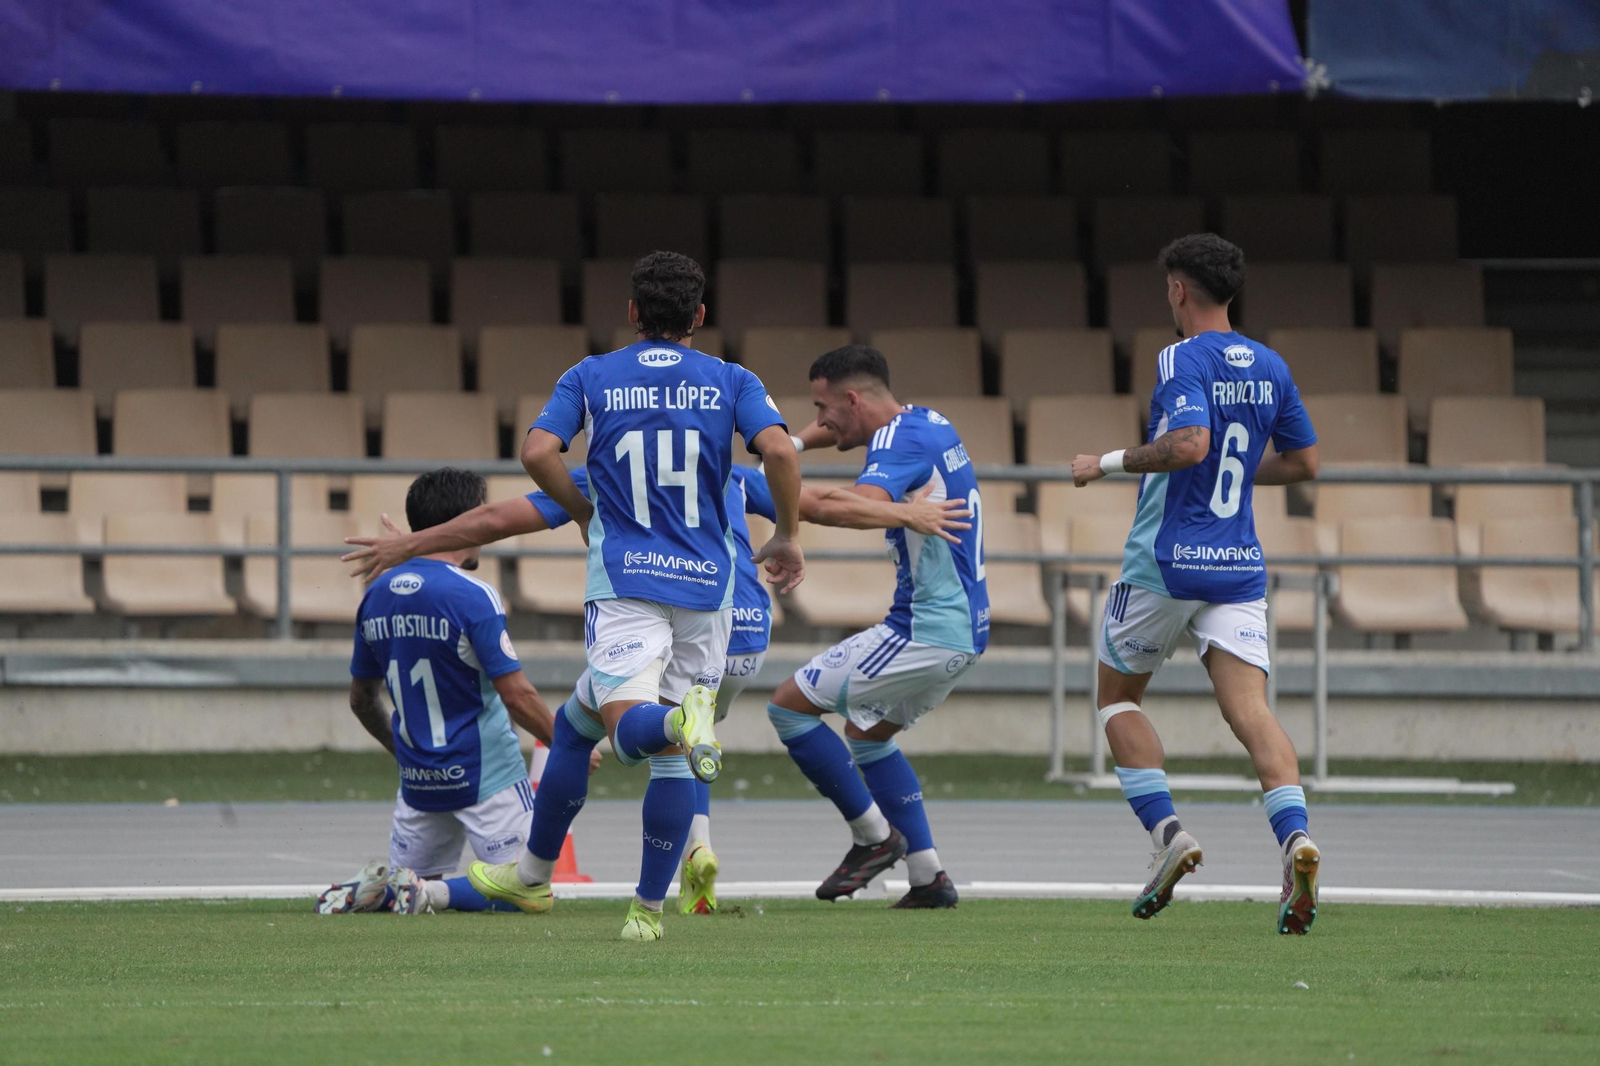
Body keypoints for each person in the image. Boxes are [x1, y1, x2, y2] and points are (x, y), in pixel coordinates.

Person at [340, 468, 970, 915]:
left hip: (657, 618)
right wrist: (904, 513)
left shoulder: (614, 464)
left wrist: (412, 547)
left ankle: (590, 882)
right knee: (686, 740)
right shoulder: (721, 460)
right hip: (739, 629)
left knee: (608, 728)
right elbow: (822, 499)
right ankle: (690, 854)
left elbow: (507, 510)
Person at [468, 250, 804, 941]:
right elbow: (784, 453)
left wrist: (585, 512)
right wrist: (789, 535)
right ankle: (640, 910)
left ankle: (677, 728)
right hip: (709, 588)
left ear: (631, 313)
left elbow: (537, 452)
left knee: (632, 728)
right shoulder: (732, 379)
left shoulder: (591, 376)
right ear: (699, 317)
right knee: (583, 725)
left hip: (628, 579)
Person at [1069, 233, 1323, 935]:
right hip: (1238, 566)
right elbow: (1304, 463)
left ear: (1179, 289)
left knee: (1116, 699)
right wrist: (1233, 481)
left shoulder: (1181, 356)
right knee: (1252, 714)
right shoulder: (1270, 365)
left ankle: (1167, 835)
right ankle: (1296, 839)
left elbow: (1188, 446)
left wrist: (1107, 461)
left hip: (1166, 562)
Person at [770, 345, 990, 909]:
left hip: (926, 629)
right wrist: (787, 446)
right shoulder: (926, 421)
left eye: (823, 408)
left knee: (790, 707)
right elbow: (838, 438)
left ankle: (873, 838)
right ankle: (928, 877)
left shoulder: (899, 442)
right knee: (868, 738)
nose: (819, 422)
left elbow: (852, 507)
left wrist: (772, 495)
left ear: (853, 398)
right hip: (964, 627)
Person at [322, 467, 583, 916]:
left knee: (407, 891)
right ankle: (426, 894)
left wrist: (404, 753)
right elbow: (517, 696)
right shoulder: (473, 595)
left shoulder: (376, 595)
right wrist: (568, 745)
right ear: (472, 520)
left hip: (419, 783)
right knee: (528, 890)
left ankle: (393, 890)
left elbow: (360, 700)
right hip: (488, 779)